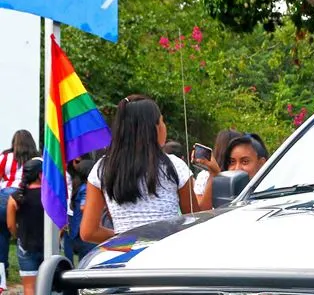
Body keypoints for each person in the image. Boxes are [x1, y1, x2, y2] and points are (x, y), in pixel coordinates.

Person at [81, 95, 208, 243]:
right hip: (169, 254)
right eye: (162, 121)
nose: (164, 126)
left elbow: (88, 232)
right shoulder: (174, 166)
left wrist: (127, 238)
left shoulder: (101, 169)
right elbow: (194, 221)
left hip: (127, 259)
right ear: (154, 128)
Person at [6, 158, 45, 295]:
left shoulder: (15, 197)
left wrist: (17, 236)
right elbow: (60, 223)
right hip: (47, 246)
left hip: (25, 245)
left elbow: (10, 225)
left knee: (29, 287)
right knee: (49, 286)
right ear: (40, 174)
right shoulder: (49, 195)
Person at [0, 129, 38, 276]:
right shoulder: (37, 158)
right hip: (27, 197)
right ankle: (30, 266)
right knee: (28, 232)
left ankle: (3, 271)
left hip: (4, 196)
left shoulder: (4, 157)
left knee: (2, 233)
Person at [63, 156, 97, 263]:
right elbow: (83, 207)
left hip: (75, 229)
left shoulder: (77, 186)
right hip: (84, 229)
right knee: (87, 260)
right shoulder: (86, 188)